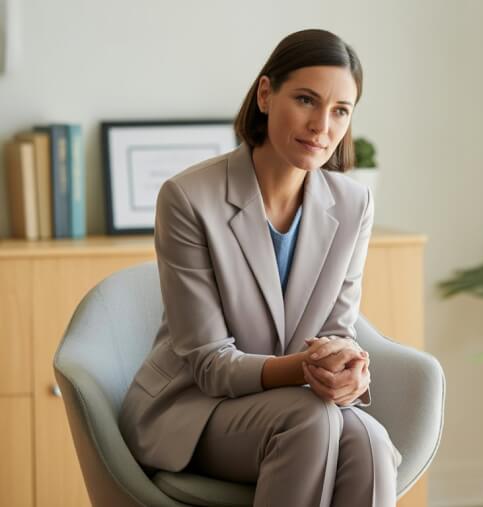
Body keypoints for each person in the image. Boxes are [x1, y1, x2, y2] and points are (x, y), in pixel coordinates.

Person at [118, 29, 400, 506]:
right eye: (306, 100)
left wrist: (350, 369)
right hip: (197, 409)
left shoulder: (354, 203)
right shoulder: (189, 198)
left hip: (297, 406)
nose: (321, 126)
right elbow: (210, 365)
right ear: (266, 95)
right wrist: (307, 370)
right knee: (311, 421)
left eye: (340, 111)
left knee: (371, 443)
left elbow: (338, 329)